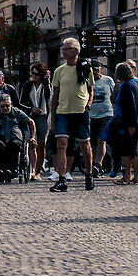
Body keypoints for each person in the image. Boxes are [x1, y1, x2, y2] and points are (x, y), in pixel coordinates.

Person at [48, 37, 92, 191]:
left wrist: (89, 104)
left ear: (75, 50)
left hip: (80, 113)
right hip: (62, 113)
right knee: (61, 144)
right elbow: (55, 96)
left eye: (66, 49)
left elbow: (91, 90)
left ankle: (89, 175)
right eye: (63, 49)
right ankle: (62, 178)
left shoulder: (86, 68)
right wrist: (52, 118)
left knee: (84, 145)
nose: (63, 52)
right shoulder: (59, 71)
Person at [112, 62, 138, 182]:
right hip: (134, 122)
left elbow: (130, 106)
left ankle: (129, 176)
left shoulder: (126, 86)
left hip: (129, 124)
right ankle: (136, 176)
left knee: (129, 151)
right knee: (132, 150)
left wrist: (130, 125)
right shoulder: (134, 84)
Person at [86, 64, 115, 181]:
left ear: (101, 70)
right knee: (92, 142)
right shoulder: (87, 81)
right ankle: (97, 165)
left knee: (101, 140)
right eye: (94, 71)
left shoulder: (108, 80)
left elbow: (113, 97)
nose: (96, 73)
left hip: (106, 114)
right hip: (91, 115)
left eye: (97, 70)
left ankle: (98, 164)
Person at [23, 62, 52, 178]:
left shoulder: (45, 85)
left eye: (37, 74)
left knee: (41, 144)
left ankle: (38, 171)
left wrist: (47, 81)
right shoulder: (27, 85)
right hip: (30, 116)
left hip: (43, 117)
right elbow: (21, 102)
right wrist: (31, 108)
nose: (34, 76)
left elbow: (50, 97)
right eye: (32, 73)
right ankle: (32, 169)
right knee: (32, 143)